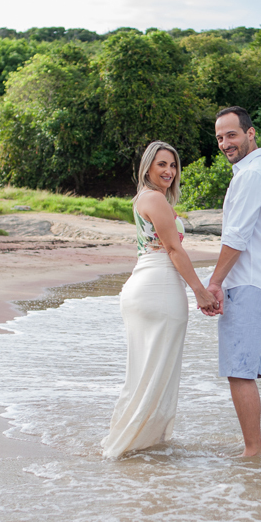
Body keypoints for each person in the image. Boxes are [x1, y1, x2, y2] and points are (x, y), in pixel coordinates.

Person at [102, 141, 218, 458]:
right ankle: (128, 446)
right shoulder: (153, 198)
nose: (169, 171)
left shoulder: (146, 199)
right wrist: (200, 291)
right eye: (162, 165)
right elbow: (173, 250)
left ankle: (133, 444)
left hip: (147, 285)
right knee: (154, 372)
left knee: (144, 371)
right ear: (148, 168)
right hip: (160, 287)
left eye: (173, 165)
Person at [201, 106, 261, 457]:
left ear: (250, 133)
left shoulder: (252, 175)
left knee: (240, 372)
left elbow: (236, 237)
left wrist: (214, 283)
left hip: (251, 283)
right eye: (220, 138)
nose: (225, 143)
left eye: (232, 135)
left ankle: (252, 453)